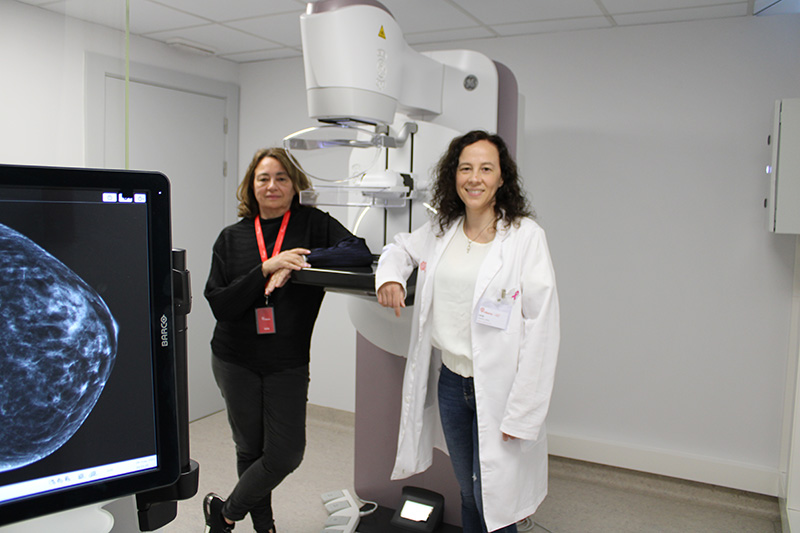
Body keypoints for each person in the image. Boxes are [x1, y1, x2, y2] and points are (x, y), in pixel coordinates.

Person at [375, 131, 560, 533]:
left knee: (496, 498)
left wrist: (524, 411)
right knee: (468, 491)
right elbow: (400, 249)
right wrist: (389, 277)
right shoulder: (443, 229)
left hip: (501, 388)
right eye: (465, 168)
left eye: (485, 169)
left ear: (501, 179)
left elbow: (542, 327)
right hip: (452, 383)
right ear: (453, 176)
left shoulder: (525, 237)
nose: (474, 178)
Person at [202, 147, 372, 533]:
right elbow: (221, 305)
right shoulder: (231, 239)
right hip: (234, 357)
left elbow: (358, 251)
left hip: (288, 359)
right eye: (263, 178)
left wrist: (302, 260)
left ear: (295, 185)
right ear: (251, 186)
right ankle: (266, 527)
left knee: (284, 454)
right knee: (250, 449)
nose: (272, 185)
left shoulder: (312, 224)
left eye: (281, 177)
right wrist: (267, 267)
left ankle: (225, 512)